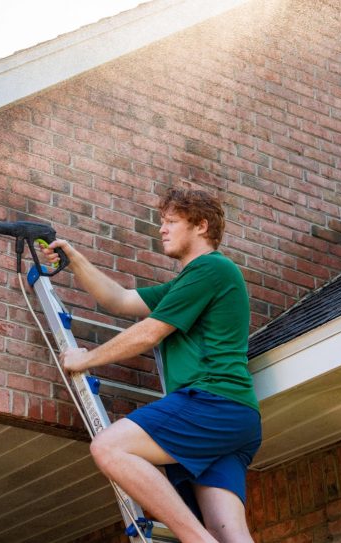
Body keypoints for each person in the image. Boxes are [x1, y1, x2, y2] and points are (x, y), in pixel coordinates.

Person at [42, 188, 261, 543]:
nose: (162, 229)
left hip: (212, 401)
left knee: (109, 447)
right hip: (235, 418)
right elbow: (120, 299)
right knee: (230, 534)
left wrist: (86, 358)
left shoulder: (212, 268)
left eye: (172, 222)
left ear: (201, 226)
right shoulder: (188, 283)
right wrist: (74, 257)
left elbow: (148, 334)